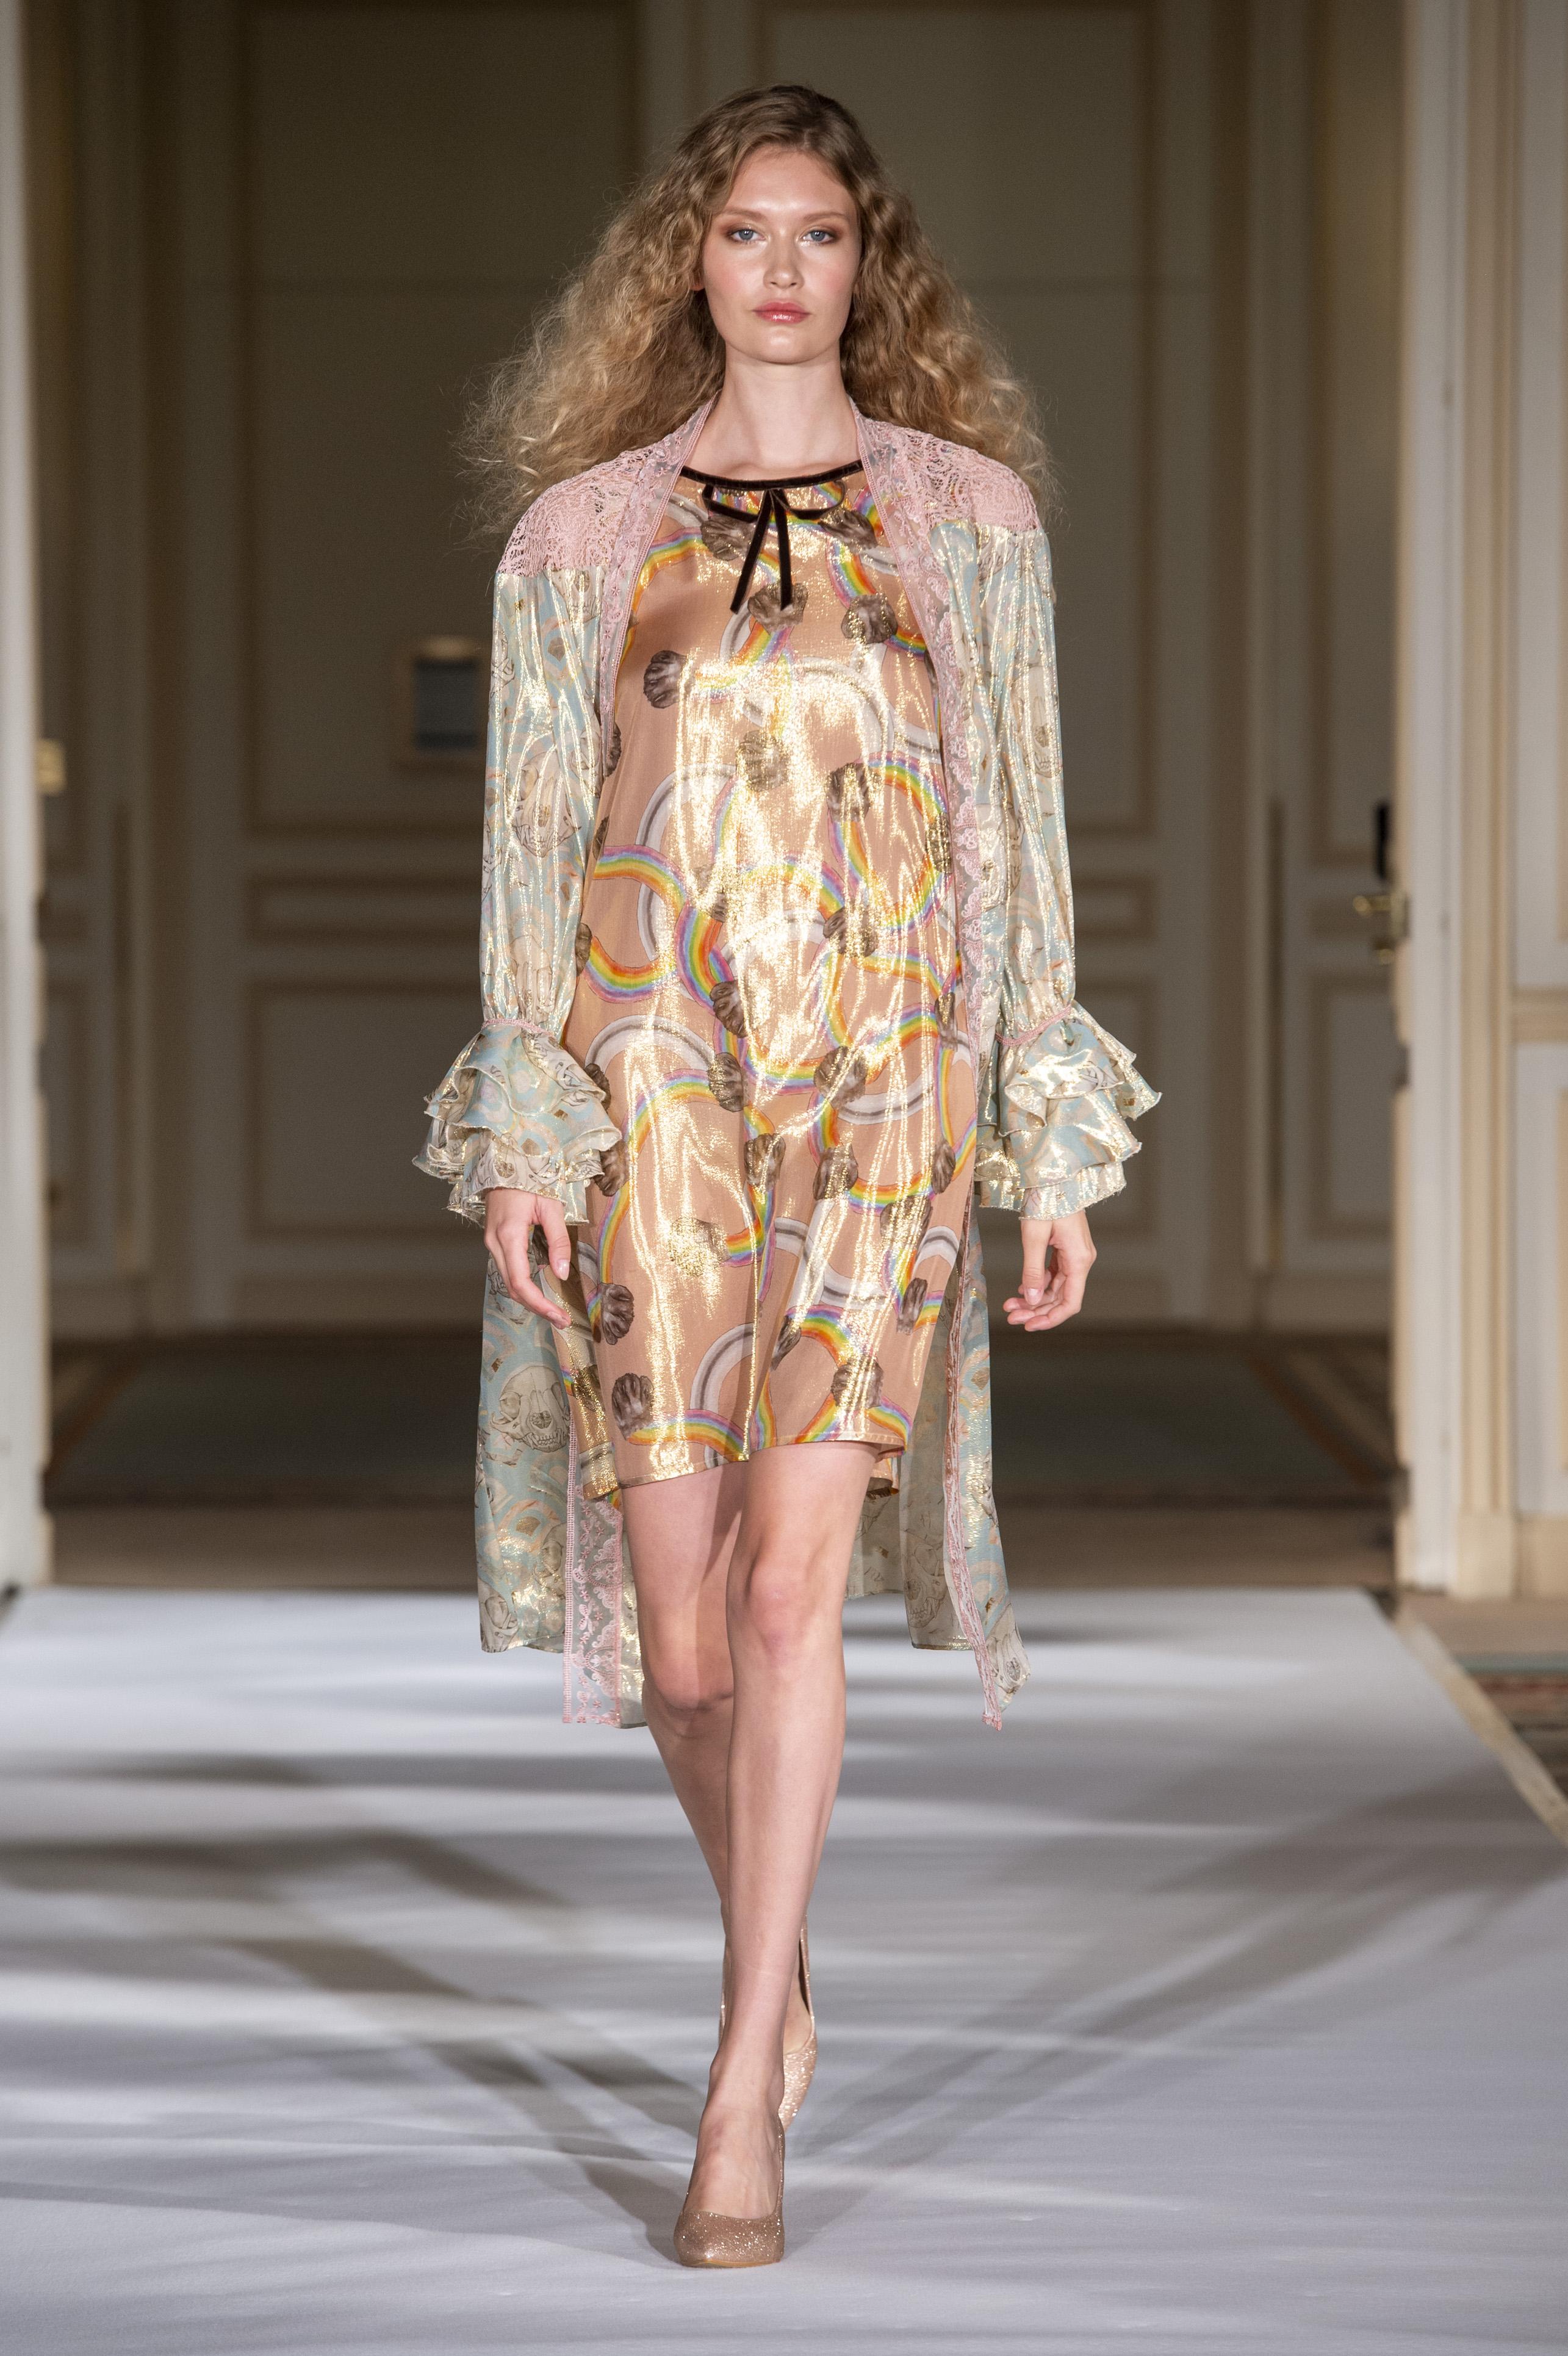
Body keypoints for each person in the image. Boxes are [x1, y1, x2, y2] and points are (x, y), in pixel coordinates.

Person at [418, 84, 1156, 2269]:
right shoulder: (578, 536)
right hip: (646, 1077)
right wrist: (525, 1126)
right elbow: (530, 844)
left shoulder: (967, 523)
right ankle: (783, 1936)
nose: (777, 268)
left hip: (889, 1083)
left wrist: (1044, 1142)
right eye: (741, 230)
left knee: (780, 1600)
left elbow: (1021, 834)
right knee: (679, 1643)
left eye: (816, 232)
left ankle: (738, 2083)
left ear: (867, 262)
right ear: (690, 261)